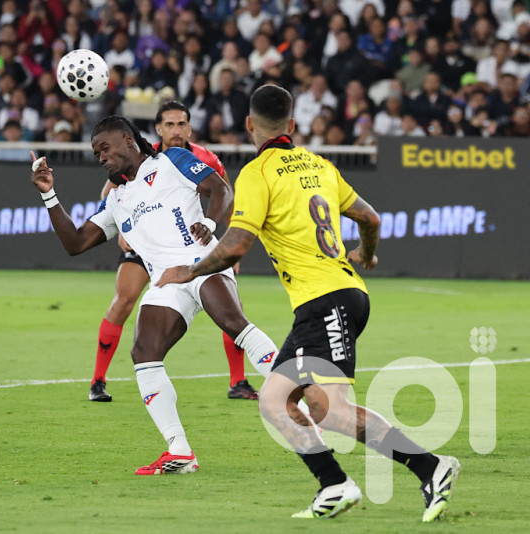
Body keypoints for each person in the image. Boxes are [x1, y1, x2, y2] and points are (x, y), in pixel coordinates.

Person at [156, 85, 460, 521]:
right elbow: (369, 218)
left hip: (325, 301)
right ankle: (350, 483)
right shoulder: (320, 166)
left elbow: (237, 244)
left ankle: (409, 470)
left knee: (292, 404)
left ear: (248, 125)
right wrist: (366, 253)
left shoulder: (258, 173)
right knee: (310, 405)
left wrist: (190, 270)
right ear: (293, 126)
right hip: (343, 294)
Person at [30, 116, 283, 475]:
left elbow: (221, 190)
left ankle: (296, 389)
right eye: (96, 152)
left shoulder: (171, 161)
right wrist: (48, 193)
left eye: (105, 148)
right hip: (166, 282)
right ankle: (179, 451)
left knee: (233, 323)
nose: (101, 157)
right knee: (144, 353)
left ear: (128, 140)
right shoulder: (117, 199)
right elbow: (74, 243)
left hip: (202, 260)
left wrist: (210, 224)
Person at [88, 101, 257, 403]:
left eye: (182, 124)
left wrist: (231, 247)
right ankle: (98, 380)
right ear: (158, 129)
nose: (176, 129)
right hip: (144, 243)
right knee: (124, 299)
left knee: (233, 308)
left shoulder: (203, 157)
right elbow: (107, 196)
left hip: (189, 243)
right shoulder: (133, 154)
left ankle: (238, 380)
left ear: (189, 127)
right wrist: (122, 231)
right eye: (170, 124)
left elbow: (227, 195)